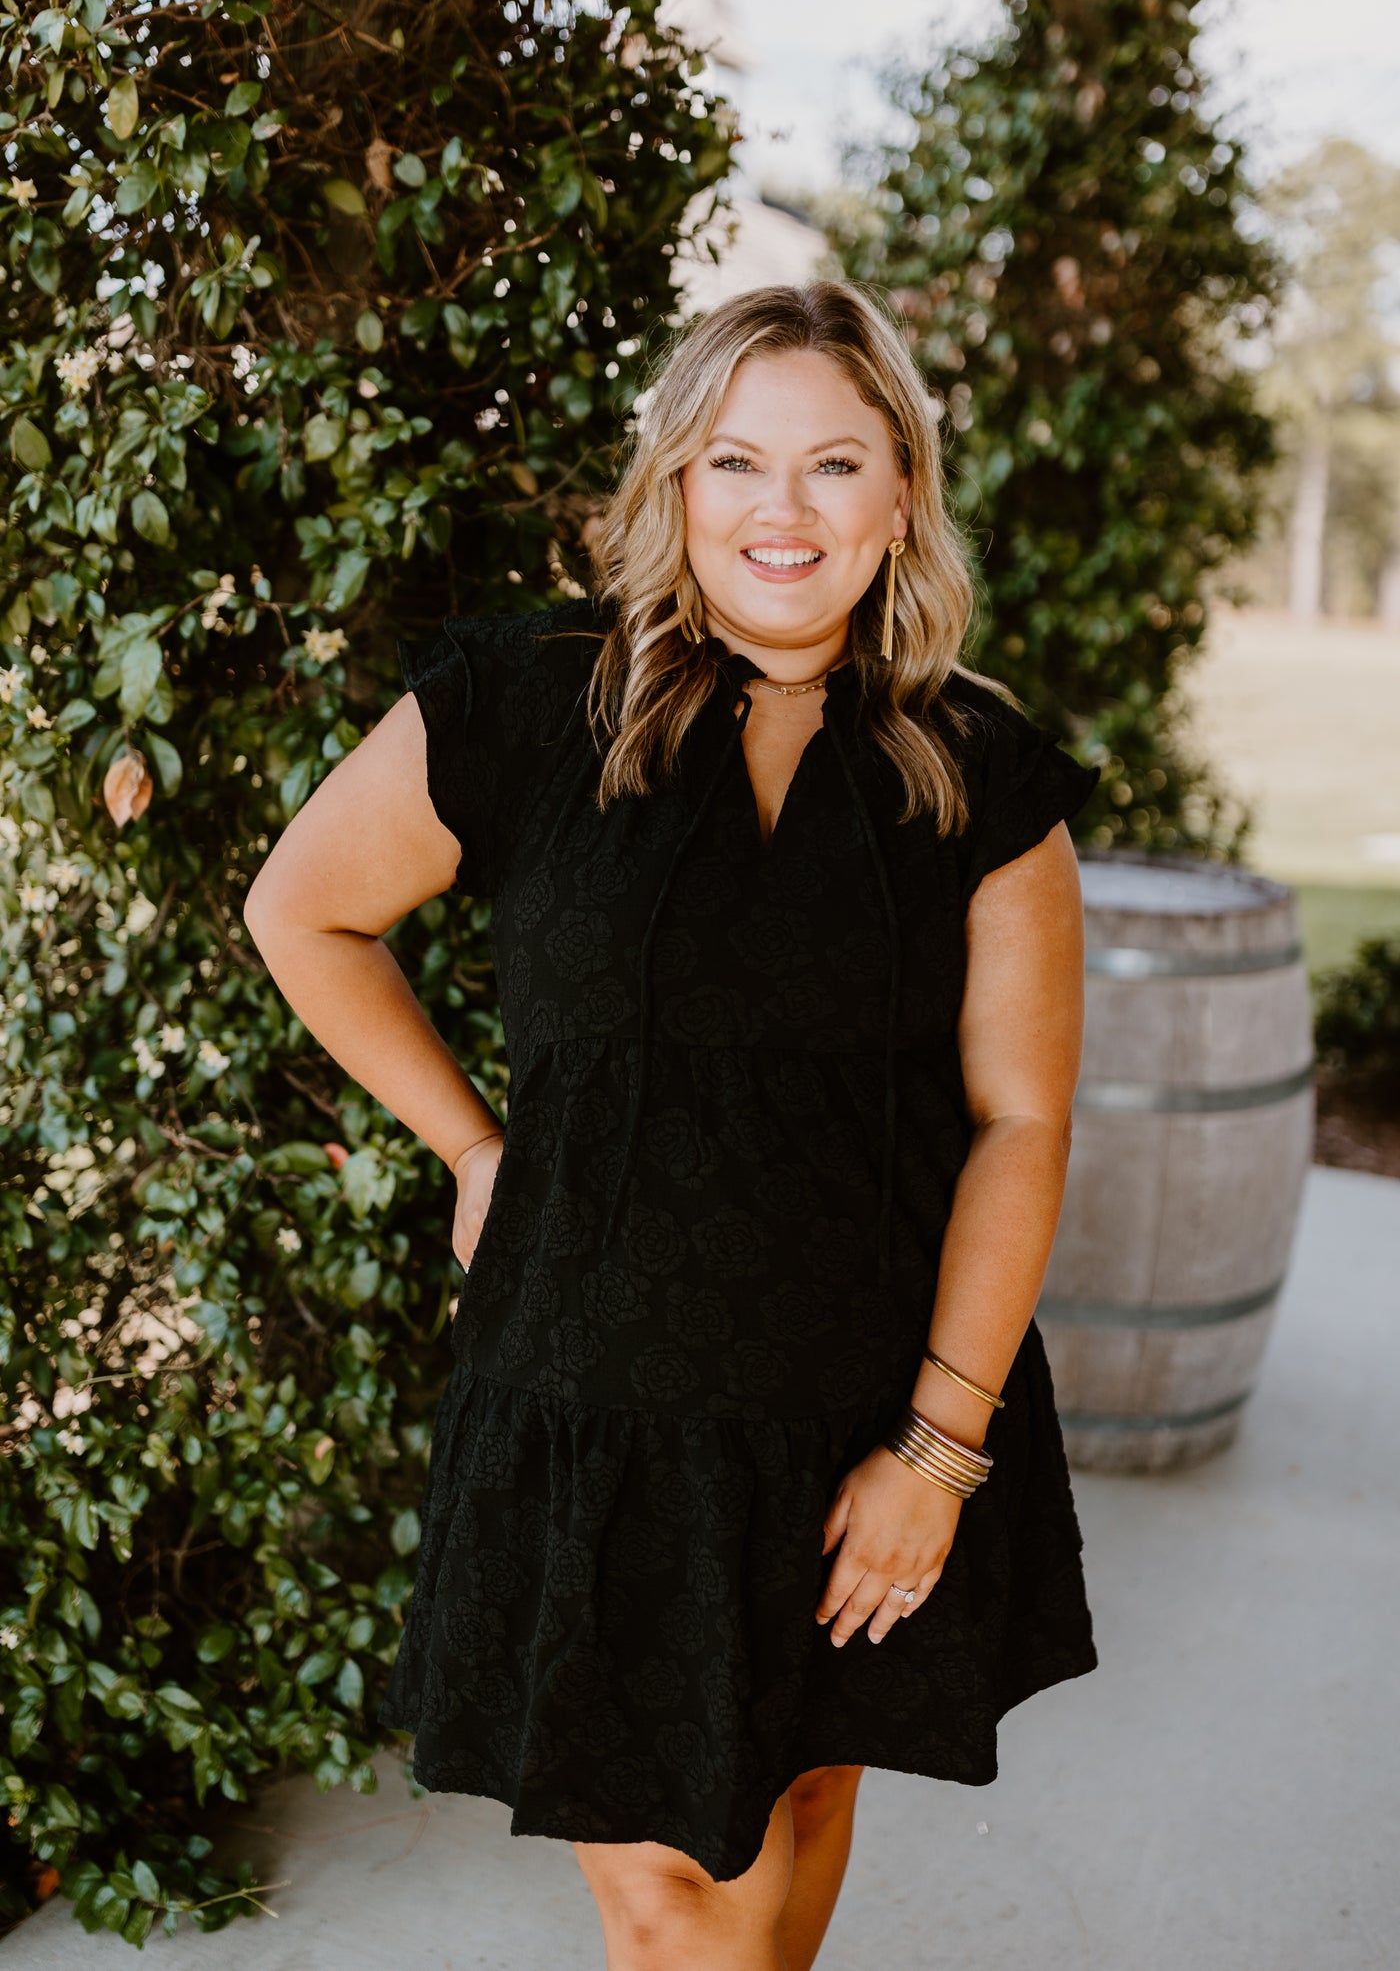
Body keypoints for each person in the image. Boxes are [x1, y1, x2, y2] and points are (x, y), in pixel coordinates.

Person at [244, 279, 1101, 1971]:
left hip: (869, 1404)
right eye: (735, 462)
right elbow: (304, 913)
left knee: (792, 1820)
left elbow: (1020, 1119)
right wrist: (478, 1148)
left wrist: (938, 1452)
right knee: (665, 1903)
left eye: (833, 464)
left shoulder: (975, 769)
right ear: (674, 486)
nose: (781, 511)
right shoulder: (525, 700)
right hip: (599, 1401)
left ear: (903, 492)